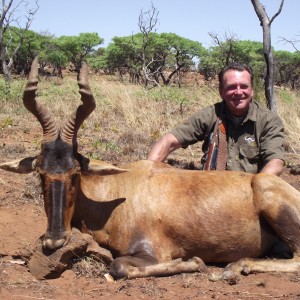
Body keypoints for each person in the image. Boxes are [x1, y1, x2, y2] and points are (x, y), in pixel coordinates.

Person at [147, 62, 285, 176]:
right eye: (231, 87)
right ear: (221, 92)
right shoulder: (210, 115)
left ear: (252, 90)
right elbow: (168, 141)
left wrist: (256, 189)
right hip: (212, 193)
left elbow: (276, 162)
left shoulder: (269, 121)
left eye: (244, 86)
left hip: (249, 195)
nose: (238, 92)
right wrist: (147, 172)